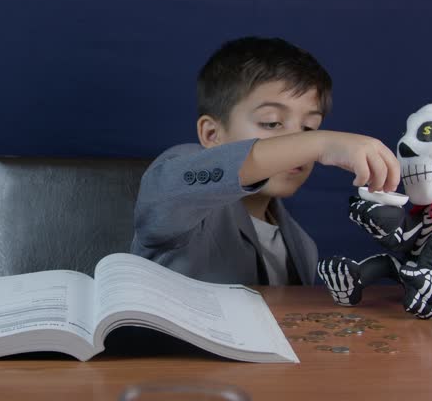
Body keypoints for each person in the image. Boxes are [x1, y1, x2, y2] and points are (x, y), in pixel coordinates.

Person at [130, 37, 400, 285]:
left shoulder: (304, 247)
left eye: (309, 128)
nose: (298, 142)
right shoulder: (177, 195)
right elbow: (177, 184)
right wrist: (320, 142)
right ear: (212, 134)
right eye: (271, 123)